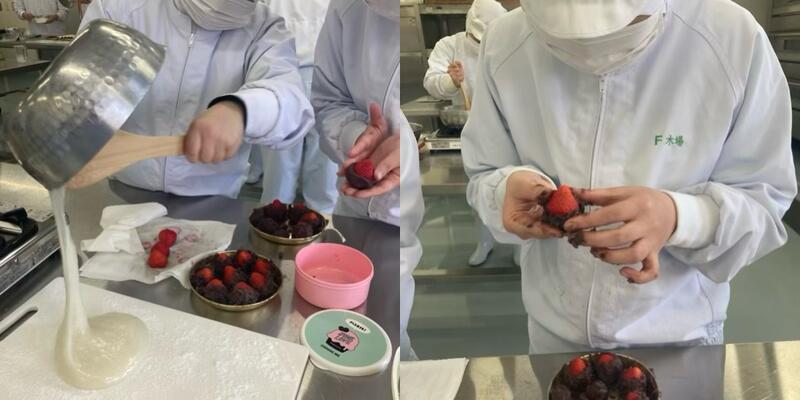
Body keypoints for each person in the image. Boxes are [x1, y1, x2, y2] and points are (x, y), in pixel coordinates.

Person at [462, 0, 797, 354]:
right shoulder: (503, 43)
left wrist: (681, 217)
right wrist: (503, 190)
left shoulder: (731, 38)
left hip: (678, 338)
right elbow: (483, 171)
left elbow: (765, 199)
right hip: (553, 332)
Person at [80, 0, 313, 198]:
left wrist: (241, 110)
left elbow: (291, 102)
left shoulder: (263, 29)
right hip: (120, 192)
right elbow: (80, 85)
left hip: (214, 203)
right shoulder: (121, 9)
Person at [313, 0, 423, 360]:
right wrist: (356, 136)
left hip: (402, 221)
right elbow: (329, 99)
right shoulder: (347, 8)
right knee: (337, 326)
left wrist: (406, 150)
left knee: (392, 339)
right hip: (353, 207)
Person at [423, 0, 505, 266]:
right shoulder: (450, 45)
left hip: (509, 129)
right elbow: (431, 82)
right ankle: (485, 241)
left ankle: (519, 247)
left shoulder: (509, 43)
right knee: (480, 190)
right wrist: (450, 81)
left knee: (514, 188)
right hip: (470, 132)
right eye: (478, 39)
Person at [258, 0, 338, 213]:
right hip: (284, 70)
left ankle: (279, 219)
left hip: (291, 69)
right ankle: (317, 221)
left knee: (283, 169)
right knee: (321, 169)